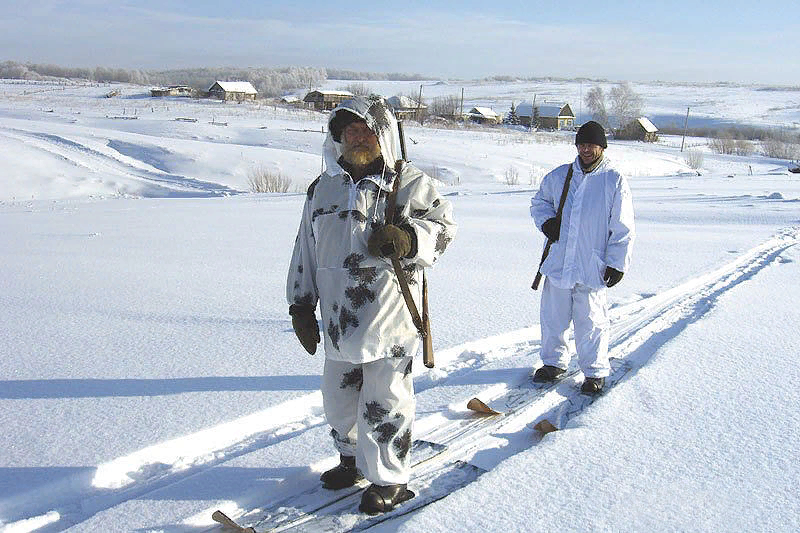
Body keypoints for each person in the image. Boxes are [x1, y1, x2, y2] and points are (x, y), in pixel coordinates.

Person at [286, 95, 457, 514]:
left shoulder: (408, 182)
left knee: (385, 400)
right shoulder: (321, 189)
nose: (355, 137)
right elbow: (305, 249)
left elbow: (445, 226)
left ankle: (389, 479)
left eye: (363, 129)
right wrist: (300, 304)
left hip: (391, 316)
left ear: (381, 133)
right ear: (336, 138)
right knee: (338, 400)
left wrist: (410, 238)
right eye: (347, 131)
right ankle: (352, 457)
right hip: (339, 320)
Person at [529, 120, 635, 394]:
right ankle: (553, 363)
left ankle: (595, 372)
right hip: (559, 262)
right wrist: (546, 222)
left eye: (592, 145)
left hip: (591, 265)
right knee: (553, 318)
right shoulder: (559, 176)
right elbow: (539, 202)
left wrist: (617, 262)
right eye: (582, 144)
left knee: (591, 322)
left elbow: (622, 225)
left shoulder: (613, 180)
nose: (586, 149)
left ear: (602, 147)